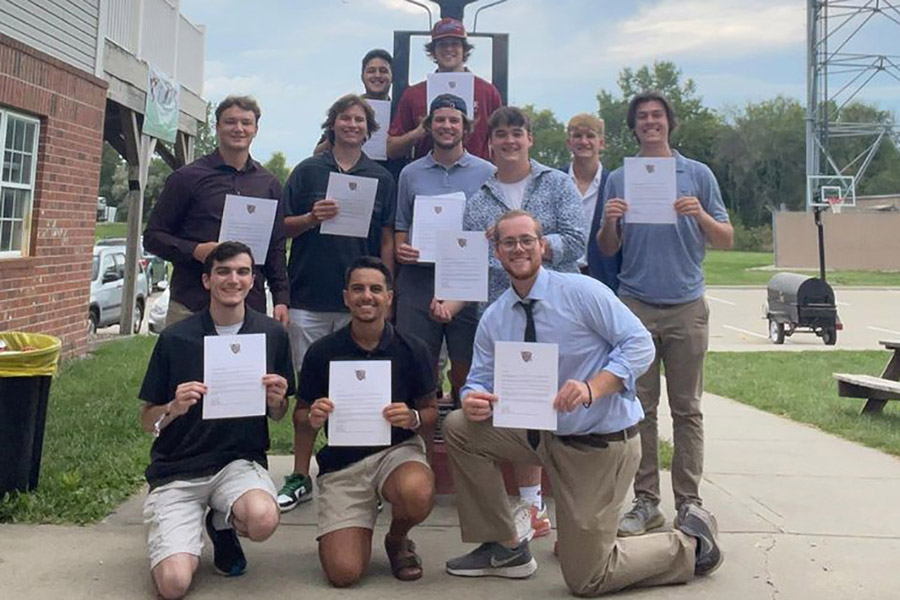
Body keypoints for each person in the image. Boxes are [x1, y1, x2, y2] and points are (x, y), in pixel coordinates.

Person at [442, 210, 723, 595]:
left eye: (527, 240)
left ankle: (691, 542)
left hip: (598, 445)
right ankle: (505, 547)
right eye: (508, 242)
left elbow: (639, 343)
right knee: (460, 427)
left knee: (587, 577)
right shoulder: (495, 317)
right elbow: (477, 379)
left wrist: (594, 388)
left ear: (543, 246)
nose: (518, 248)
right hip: (541, 437)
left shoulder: (580, 292)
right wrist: (471, 397)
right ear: (497, 251)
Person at [597, 91, 734, 537]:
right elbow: (607, 248)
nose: (650, 123)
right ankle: (645, 500)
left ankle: (690, 502)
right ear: (633, 126)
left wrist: (701, 217)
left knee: (687, 409)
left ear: (670, 123)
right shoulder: (620, 178)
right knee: (639, 408)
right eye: (642, 118)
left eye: (657, 116)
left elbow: (726, 238)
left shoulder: (697, 174)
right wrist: (611, 221)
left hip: (686, 304)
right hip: (635, 303)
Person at [450, 105, 585, 541]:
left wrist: (530, 242)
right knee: (523, 407)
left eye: (517, 134)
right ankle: (532, 503)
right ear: (489, 144)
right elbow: (471, 262)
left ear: (530, 139)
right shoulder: (478, 200)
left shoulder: (558, 183)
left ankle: (576, 507)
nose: (509, 142)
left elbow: (577, 241)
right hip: (503, 312)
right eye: (501, 135)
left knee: (563, 405)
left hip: (558, 309)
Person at [138, 241, 295, 599]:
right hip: (178, 469)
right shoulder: (176, 339)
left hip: (236, 463)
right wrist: (173, 408)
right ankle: (178, 531)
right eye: (223, 271)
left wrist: (277, 401)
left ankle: (220, 521)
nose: (233, 279)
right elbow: (147, 420)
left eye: (242, 271)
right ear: (207, 280)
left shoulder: (271, 335)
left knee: (263, 519)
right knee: (174, 585)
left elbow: (279, 413)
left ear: (253, 280)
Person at [277, 94, 396, 512]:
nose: (351, 125)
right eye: (344, 118)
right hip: (309, 295)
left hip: (358, 302)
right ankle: (298, 473)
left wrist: (384, 291)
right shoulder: (308, 171)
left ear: (369, 129)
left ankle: (355, 471)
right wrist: (311, 218)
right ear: (333, 124)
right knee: (309, 397)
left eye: (359, 120)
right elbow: (280, 229)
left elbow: (385, 237)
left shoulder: (381, 176)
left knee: (357, 392)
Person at [301, 256, 437, 586]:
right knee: (344, 573)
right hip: (344, 463)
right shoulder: (321, 352)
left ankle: (397, 538)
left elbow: (431, 411)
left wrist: (414, 417)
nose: (367, 296)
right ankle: (350, 527)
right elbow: (300, 414)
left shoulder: (413, 349)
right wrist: (313, 418)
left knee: (416, 492)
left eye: (376, 289)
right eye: (358, 288)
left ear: (389, 297)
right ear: (346, 296)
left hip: (396, 452)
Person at [145, 95, 289, 328]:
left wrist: (281, 298)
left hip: (249, 308)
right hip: (191, 305)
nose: (239, 128)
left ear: (255, 129)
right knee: (185, 366)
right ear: (217, 127)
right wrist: (195, 250)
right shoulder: (186, 178)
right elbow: (152, 237)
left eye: (246, 123)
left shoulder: (269, 184)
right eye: (231, 122)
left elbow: (276, 247)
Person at [394, 93, 495, 403]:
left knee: (465, 364)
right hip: (418, 278)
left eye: (454, 120)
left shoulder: (487, 172)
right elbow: (400, 224)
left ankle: (462, 432)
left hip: (466, 279)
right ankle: (419, 434)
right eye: (439, 119)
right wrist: (402, 249)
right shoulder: (411, 173)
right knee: (417, 362)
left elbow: (494, 227)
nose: (447, 126)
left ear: (466, 127)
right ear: (429, 125)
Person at [387, 17, 502, 162]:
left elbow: (502, 142)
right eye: (442, 44)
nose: (448, 49)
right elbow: (391, 149)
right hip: (429, 178)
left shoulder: (487, 92)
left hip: (477, 180)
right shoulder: (414, 94)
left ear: (464, 49)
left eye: (455, 44)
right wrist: (418, 132)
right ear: (433, 51)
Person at [315, 49, 405, 179]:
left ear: (392, 77)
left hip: (388, 180)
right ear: (362, 76)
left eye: (383, 71)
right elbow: (317, 153)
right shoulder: (347, 108)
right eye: (371, 71)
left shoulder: (401, 110)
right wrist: (337, 136)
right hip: (349, 177)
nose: (377, 75)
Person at [562, 113, 620, 292]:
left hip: (603, 278)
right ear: (569, 142)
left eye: (590, 136)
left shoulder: (615, 183)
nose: (584, 141)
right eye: (577, 136)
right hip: (563, 277)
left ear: (601, 143)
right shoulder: (555, 180)